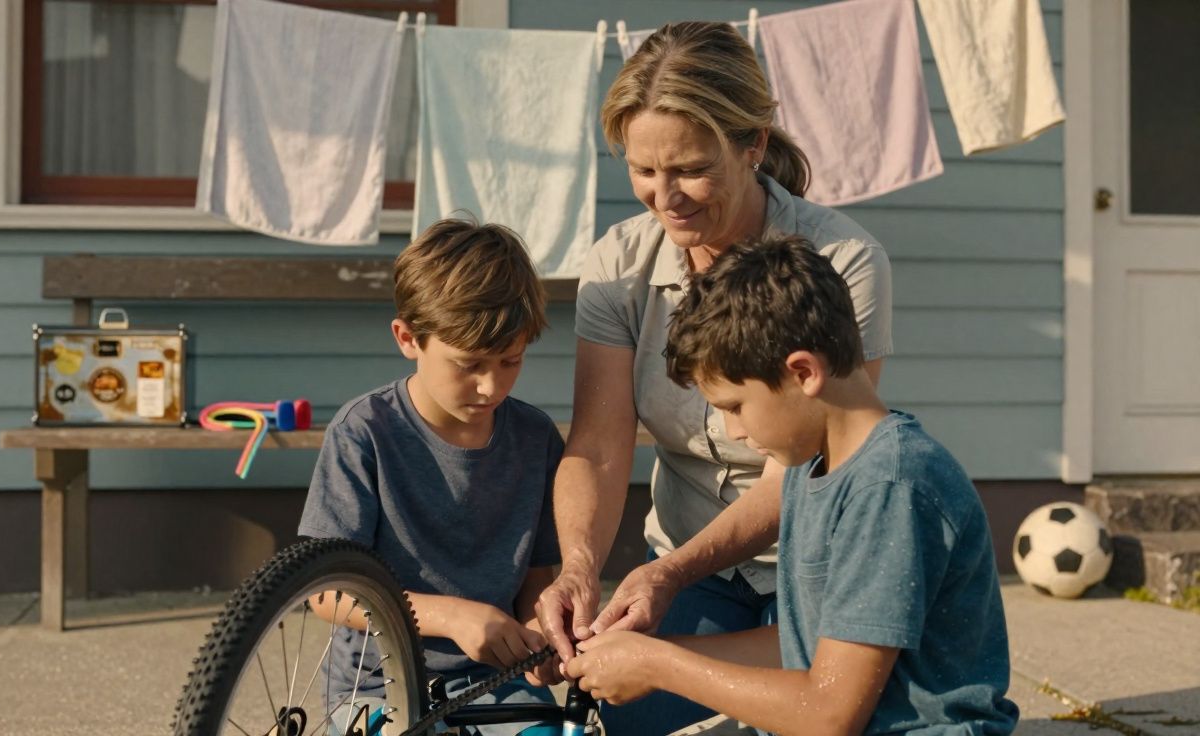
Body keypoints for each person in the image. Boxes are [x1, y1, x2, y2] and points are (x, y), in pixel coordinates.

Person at [534, 21, 893, 734]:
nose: (664, 196)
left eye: (690, 169)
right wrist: (576, 568)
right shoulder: (620, 265)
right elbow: (600, 445)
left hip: (814, 570)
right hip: (693, 569)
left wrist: (667, 577)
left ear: (753, 144)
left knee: (819, 712)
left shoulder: (843, 261)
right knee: (620, 709)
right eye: (643, 171)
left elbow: (796, 469)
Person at [567, 236, 1019, 735]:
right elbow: (811, 647)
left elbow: (829, 714)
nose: (734, 431)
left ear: (803, 372)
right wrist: (653, 651)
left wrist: (657, 666)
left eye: (735, 406)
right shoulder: (815, 467)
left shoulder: (889, 488)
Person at [298, 217, 564, 736]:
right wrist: (454, 617)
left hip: (496, 679)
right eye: (469, 364)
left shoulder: (535, 437)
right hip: (376, 685)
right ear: (408, 338)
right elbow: (324, 592)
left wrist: (535, 633)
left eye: (511, 361)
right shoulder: (364, 432)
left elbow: (537, 575)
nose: (491, 386)